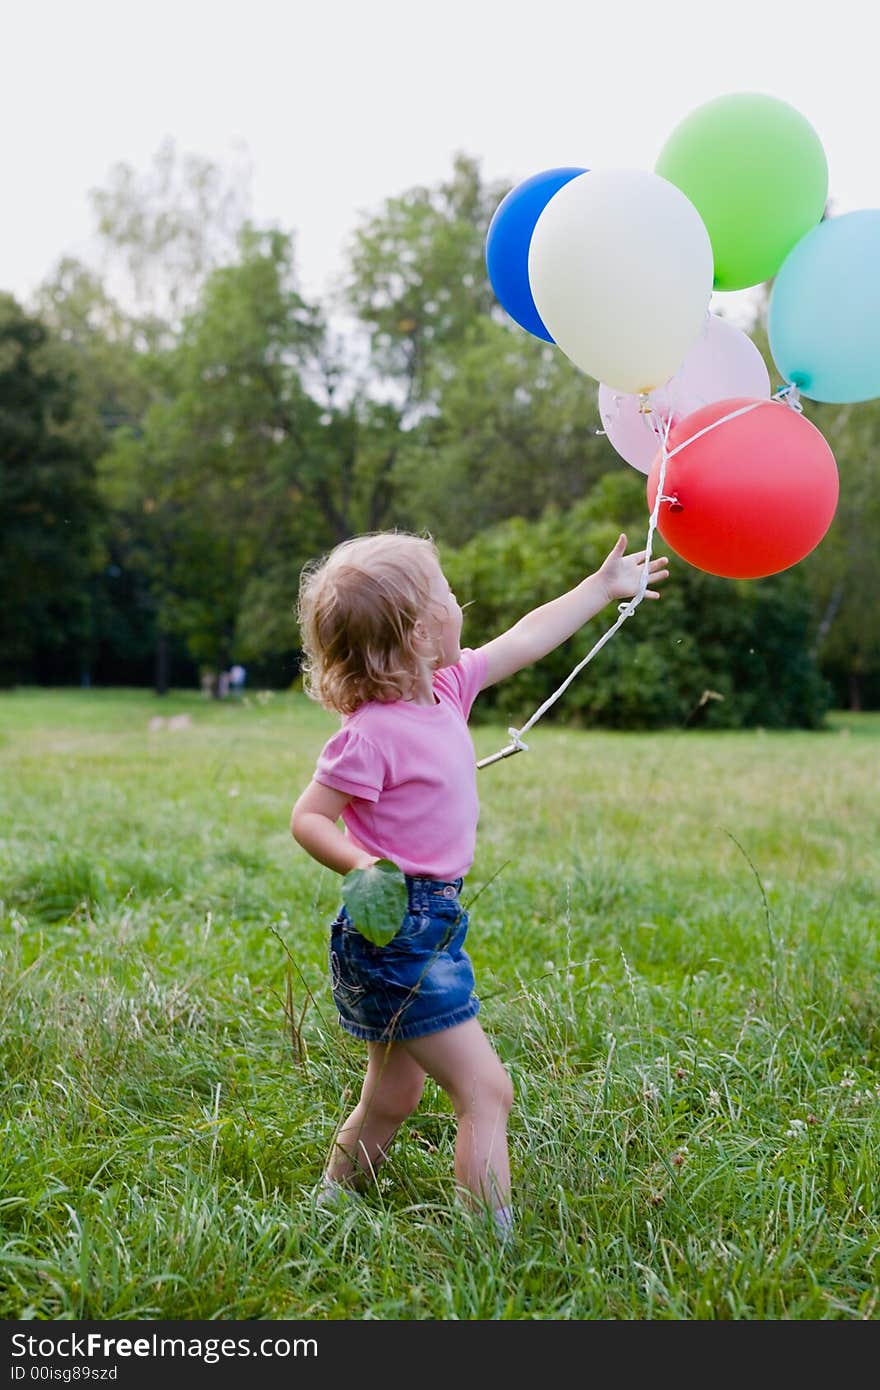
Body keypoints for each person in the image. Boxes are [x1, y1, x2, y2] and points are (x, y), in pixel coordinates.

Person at [289, 529, 669, 1241]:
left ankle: (329, 1207)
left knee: (394, 1093)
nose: (459, 605)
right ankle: (487, 1245)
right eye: (446, 594)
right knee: (487, 1091)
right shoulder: (367, 735)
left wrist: (600, 589)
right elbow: (308, 817)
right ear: (417, 630)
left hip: (428, 926)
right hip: (398, 930)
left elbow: (527, 638)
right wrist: (360, 866)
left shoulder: (447, 689)